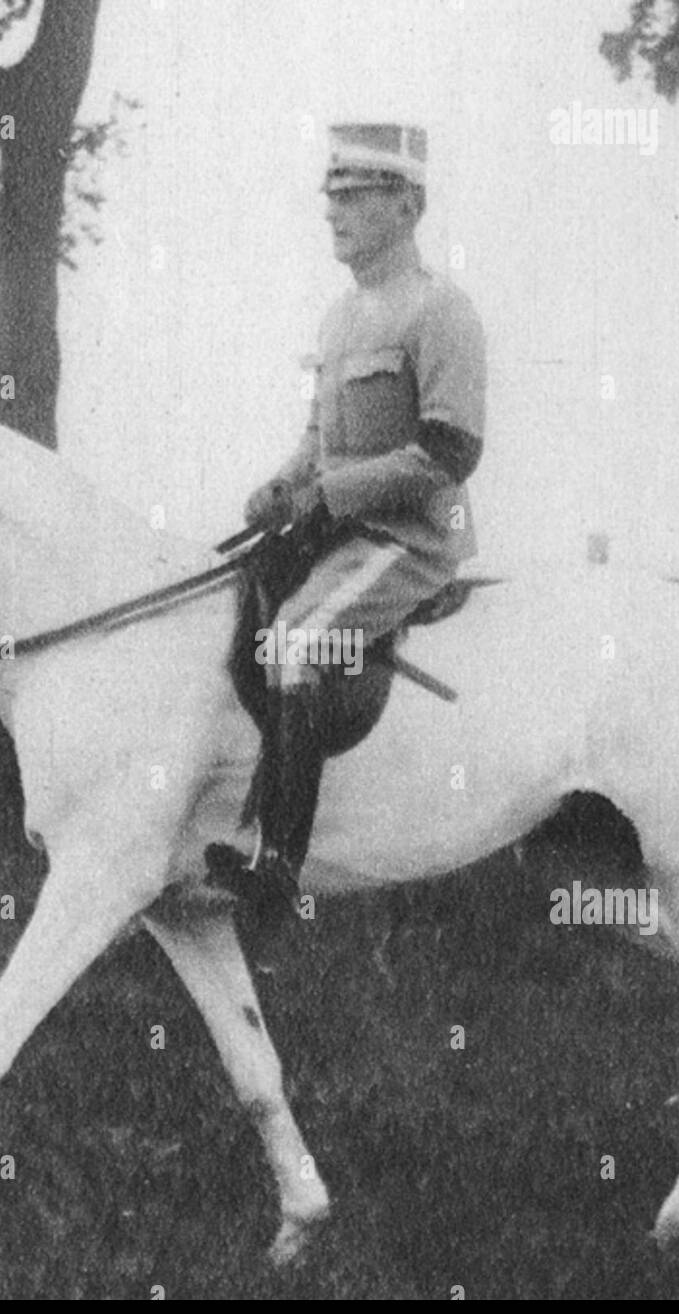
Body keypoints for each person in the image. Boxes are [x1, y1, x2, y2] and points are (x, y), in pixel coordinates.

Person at [215, 122, 487, 927]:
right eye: (330, 197)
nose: (334, 212)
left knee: (296, 639)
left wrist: (329, 496)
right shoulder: (340, 319)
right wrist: (280, 486)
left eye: (355, 197)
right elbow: (317, 442)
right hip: (339, 531)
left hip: (411, 539)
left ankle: (281, 864)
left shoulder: (442, 311)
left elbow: (449, 450)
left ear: (408, 205)